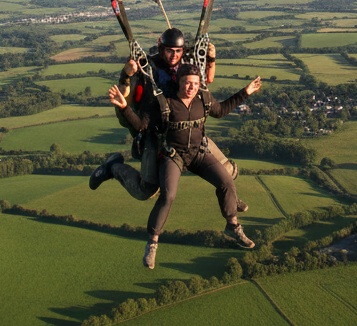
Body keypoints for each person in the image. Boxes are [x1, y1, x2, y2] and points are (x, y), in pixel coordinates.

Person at [109, 66, 262, 268]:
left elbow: (222, 110)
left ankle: (232, 226)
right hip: (173, 156)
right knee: (168, 195)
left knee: (226, 180)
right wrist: (124, 107)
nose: (191, 87)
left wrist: (246, 92)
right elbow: (141, 125)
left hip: (198, 153)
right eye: (188, 83)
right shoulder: (165, 103)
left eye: (196, 84)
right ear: (179, 82)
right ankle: (152, 242)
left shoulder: (203, 100)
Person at [89, 28, 247, 213]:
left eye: (178, 51)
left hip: (188, 132)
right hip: (157, 137)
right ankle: (113, 167)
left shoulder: (186, 64)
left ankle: (230, 198)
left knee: (229, 171)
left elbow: (206, 80)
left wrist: (211, 59)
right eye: (169, 50)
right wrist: (126, 74)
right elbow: (127, 97)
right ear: (160, 46)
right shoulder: (145, 67)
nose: (174, 55)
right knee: (145, 190)